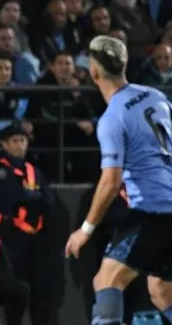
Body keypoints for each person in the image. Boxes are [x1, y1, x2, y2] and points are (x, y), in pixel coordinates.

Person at [66, 35, 172, 325]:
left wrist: (85, 230)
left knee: (106, 280)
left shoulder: (112, 118)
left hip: (153, 211)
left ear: (94, 73)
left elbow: (109, 182)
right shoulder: (155, 96)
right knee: (162, 291)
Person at [0, 126, 54, 325]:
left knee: (41, 288)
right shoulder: (1, 171)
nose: (20, 145)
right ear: (5, 145)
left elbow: (49, 201)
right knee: (16, 288)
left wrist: (29, 198)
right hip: (13, 235)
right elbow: (8, 200)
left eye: (23, 141)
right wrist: (33, 197)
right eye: (15, 141)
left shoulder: (34, 171)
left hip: (37, 236)